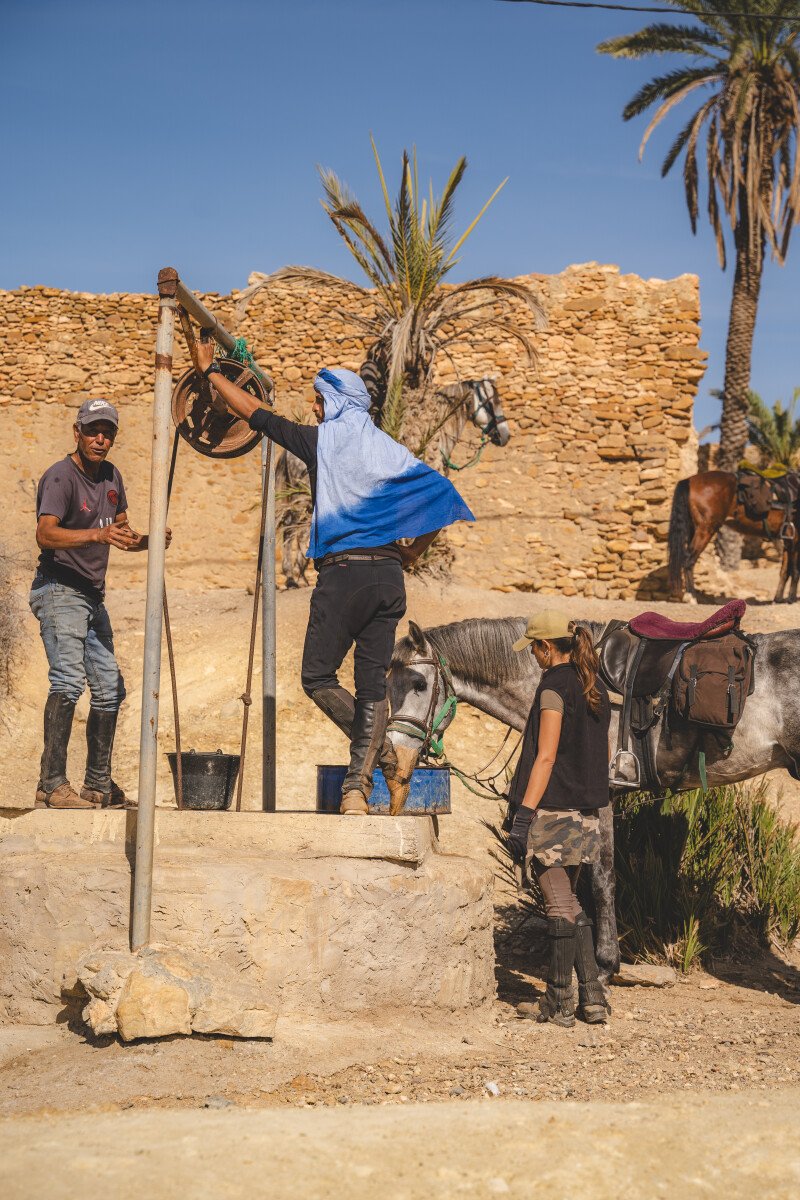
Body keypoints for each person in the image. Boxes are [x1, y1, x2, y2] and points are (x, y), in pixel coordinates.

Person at [196, 341, 474, 813]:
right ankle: (355, 792)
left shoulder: (322, 443)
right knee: (371, 689)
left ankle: (384, 757)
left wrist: (209, 373)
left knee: (318, 677)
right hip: (387, 579)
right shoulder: (391, 452)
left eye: (319, 400)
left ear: (337, 403)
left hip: (342, 575)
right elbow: (443, 494)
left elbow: (255, 414)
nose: (313, 408)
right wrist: (410, 554)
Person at [30, 398, 171, 809]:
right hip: (59, 589)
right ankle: (51, 785)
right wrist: (94, 535)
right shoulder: (60, 477)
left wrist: (149, 542)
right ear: (77, 433)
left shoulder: (111, 477)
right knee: (69, 682)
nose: (100, 438)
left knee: (110, 689)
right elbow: (45, 535)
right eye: (93, 430)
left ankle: (97, 785)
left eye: (107, 432)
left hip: (92, 596)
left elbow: (120, 532)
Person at [506, 609, 611, 1027]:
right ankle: (593, 999)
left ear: (546, 647)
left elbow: (546, 756)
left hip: (553, 813)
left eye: (533, 647)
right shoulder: (592, 686)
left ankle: (558, 1000)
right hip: (587, 814)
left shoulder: (554, 686)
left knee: (557, 904)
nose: (532, 655)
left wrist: (524, 815)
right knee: (570, 901)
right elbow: (593, 754)